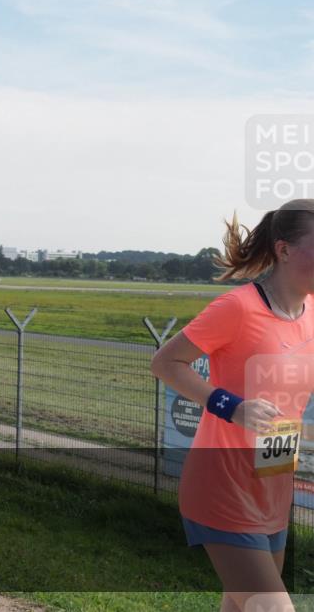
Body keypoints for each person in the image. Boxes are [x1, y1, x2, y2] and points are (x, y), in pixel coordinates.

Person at [151, 199, 314, 612]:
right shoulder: (238, 308)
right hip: (221, 485)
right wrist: (230, 406)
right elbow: (165, 362)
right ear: (284, 250)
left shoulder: (311, 313)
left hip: (273, 482)